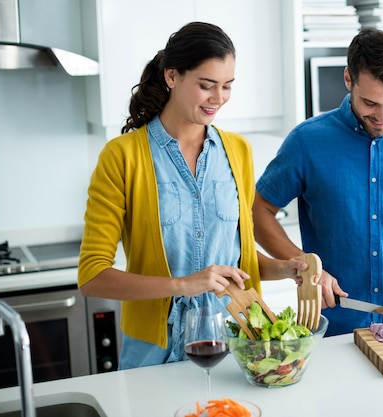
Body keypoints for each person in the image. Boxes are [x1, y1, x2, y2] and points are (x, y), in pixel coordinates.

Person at [78, 22, 311, 369]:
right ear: (172, 76)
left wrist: (284, 268)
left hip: (234, 343)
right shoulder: (122, 156)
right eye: (206, 85)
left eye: (227, 86)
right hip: (154, 355)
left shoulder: (238, 151)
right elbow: (92, 276)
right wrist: (183, 284)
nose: (218, 98)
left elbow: (236, 261)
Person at [253, 28, 383, 336]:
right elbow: (258, 212)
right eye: (370, 103)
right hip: (333, 330)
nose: (382, 115)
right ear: (348, 80)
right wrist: (304, 264)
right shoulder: (307, 141)